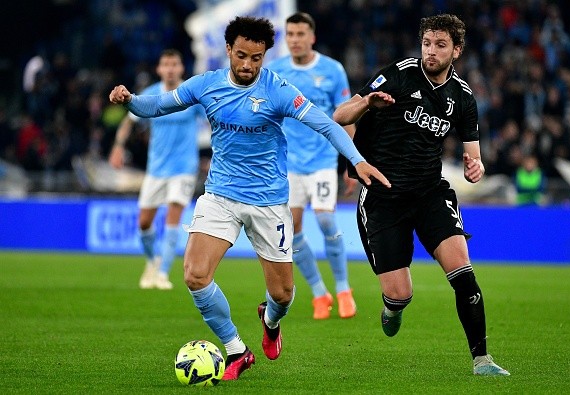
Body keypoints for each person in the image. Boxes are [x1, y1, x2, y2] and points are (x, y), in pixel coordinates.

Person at [109, 16, 390, 381]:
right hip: (220, 195)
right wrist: (129, 100)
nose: (247, 65)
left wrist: (357, 160)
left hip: (269, 201)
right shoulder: (207, 85)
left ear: (264, 56)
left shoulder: (279, 90)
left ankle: (270, 321)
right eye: (241, 55)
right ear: (228, 50)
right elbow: (158, 106)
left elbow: (325, 123)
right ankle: (237, 350)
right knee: (195, 275)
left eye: (256, 58)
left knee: (284, 294)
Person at [333, 14, 510, 376]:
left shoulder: (463, 98)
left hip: (430, 192)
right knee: (400, 293)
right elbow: (340, 114)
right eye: (427, 43)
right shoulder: (398, 73)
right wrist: (368, 103)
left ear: (456, 50)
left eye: (440, 45)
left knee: (463, 271)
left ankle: (482, 360)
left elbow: (474, 158)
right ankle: (393, 308)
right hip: (382, 195)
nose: (430, 51)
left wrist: (476, 168)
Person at [267, 12, 358, 320]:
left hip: (322, 161)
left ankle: (344, 288)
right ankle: (320, 293)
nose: (294, 40)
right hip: (288, 166)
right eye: (290, 34)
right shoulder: (276, 71)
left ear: (312, 37)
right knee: (291, 232)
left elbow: (346, 116)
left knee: (326, 222)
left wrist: (351, 162)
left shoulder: (332, 70)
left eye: (300, 34)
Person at [109, 49, 207, 290]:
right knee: (144, 222)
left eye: (175, 64)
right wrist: (118, 147)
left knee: (173, 219)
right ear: (159, 69)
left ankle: (163, 273)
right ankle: (153, 262)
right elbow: (128, 122)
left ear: (182, 68)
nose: (171, 68)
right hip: (156, 168)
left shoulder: (190, 93)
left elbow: (213, 121)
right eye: (166, 64)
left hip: (184, 167)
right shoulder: (151, 94)